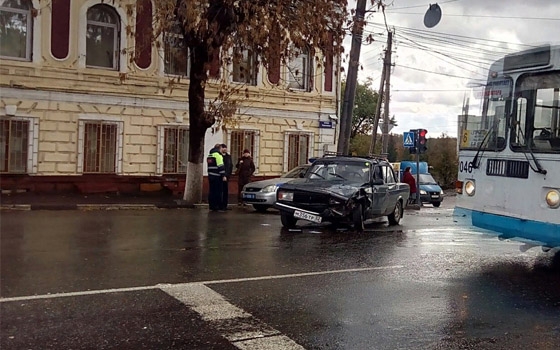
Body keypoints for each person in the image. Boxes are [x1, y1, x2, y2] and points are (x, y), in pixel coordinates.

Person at [207, 143, 226, 211]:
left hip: (210, 176)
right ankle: (218, 206)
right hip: (217, 177)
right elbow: (220, 166)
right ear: (219, 148)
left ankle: (211, 206)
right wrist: (223, 175)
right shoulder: (218, 155)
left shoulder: (210, 155)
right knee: (218, 192)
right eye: (221, 149)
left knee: (211, 191)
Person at [220, 144, 233, 210]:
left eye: (225, 148)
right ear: (221, 148)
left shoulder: (228, 156)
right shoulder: (219, 156)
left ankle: (225, 205)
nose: (225, 149)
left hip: (227, 176)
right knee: (220, 191)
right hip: (220, 176)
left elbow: (230, 166)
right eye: (223, 148)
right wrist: (223, 175)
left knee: (225, 191)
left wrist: (228, 175)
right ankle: (220, 205)